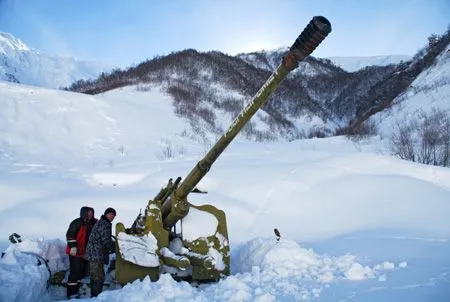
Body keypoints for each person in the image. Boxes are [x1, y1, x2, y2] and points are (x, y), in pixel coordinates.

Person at [65, 206, 97, 299]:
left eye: (91, 212)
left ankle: (77, 290)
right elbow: (70, 235)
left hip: (85, 253)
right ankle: (71, 294)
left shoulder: (93, 223)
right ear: (84, 213)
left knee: (81, 273)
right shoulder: (77, 222)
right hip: (75, 252)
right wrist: (73, 247)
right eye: (88, 212)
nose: (90, 214)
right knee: (75, 272)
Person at [86, 207, 116, 297]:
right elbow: (106, 240)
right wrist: (115, 247)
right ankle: (95, 297)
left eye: (114, 215)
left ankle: (95, 296)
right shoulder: (104, 224)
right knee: (97, 278)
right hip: (96, 254)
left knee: (98, 276)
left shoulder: (103, 222)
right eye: (112, 214)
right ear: (107, 214)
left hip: (96, 254)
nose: (113, 217)